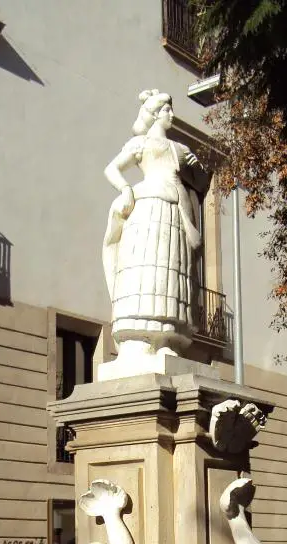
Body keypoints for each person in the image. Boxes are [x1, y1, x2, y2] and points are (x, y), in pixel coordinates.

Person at [102, 89, 206, 357]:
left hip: (175, 213)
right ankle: (140, 339)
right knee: (146, 272)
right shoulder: (141, 143)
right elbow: (111, 168)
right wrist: (125, 189)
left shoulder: (181, 150)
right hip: (149, 211)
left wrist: (196, 169)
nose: (171, 114)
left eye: (171, 109)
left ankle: (166, 340)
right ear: (154, 114)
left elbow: (201, 184)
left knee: (171, 272)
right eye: (166, 110)